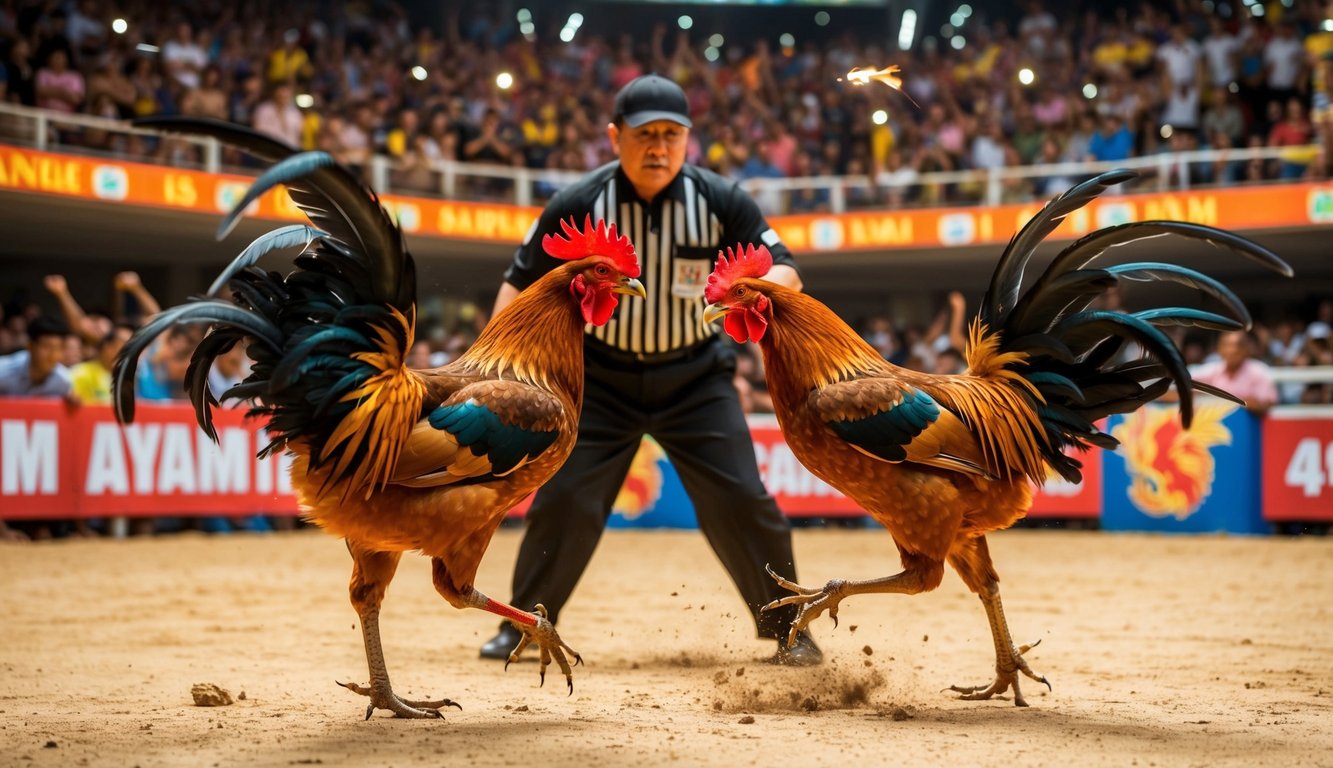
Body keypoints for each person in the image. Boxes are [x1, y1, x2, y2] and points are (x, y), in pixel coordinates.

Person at [479, 74, 821, 666]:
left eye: (671, 134)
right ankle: (523, 626)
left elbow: (787, 269)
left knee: (741, 498)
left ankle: (790, 628)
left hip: (697, 378)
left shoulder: (723, 200)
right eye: (644, 135)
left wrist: (760, 291)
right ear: (615, 137)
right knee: (565, 500)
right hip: (600, 382)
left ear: (688, 139)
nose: (658, 147)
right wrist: (499, 369)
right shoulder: (576, 203)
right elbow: (517, 284)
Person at [1190, 330, 1278, 415]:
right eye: (1227, 345)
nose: (1232, 350)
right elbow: (1185, 387)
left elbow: (1268, 403)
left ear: (1247, 349)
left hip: (1248, 427)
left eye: (1238, 345)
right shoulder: (1212, 370)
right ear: (1219, 349)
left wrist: (1251, 404)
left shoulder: (1259, 371)